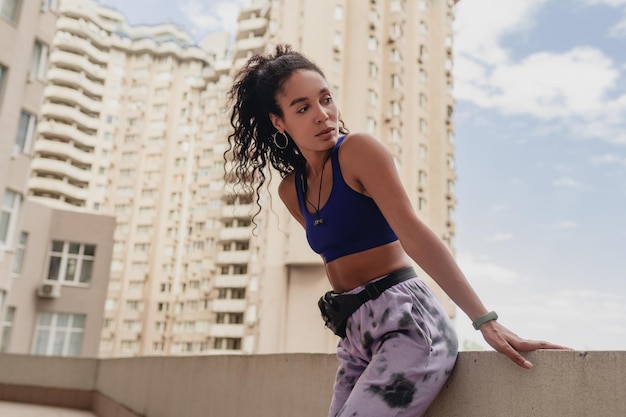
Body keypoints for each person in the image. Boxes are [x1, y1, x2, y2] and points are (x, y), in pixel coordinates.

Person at [226, 44, 566, 417]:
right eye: (303, 108)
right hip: (355, 337)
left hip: (408, 322)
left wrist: (485, 320)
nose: (322, 115)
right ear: (279, 122)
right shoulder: (292, 190)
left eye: (326, 99)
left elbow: (414, 233)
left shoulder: (358, 151)